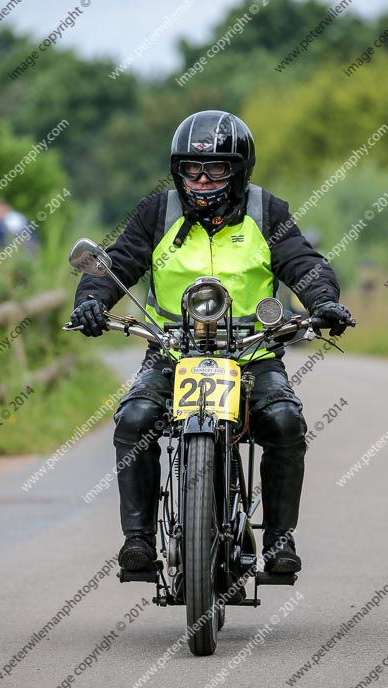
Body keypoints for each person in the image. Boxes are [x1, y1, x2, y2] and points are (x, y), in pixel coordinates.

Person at [72, 110, 352, 576]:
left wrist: (325, 301)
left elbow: (303, 262)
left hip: (252, 356)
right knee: (135, 418)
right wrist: (91, 302)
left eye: (216, 168)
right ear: (176, 171)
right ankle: (138, 542)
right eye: (190, 169)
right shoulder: (156, 213)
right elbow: (116, 265)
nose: (201, 179)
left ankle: (280, 541)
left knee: (284, 421)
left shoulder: (269, 212)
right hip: (172, 353)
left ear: (240, 170)